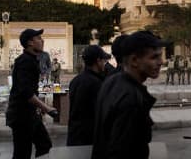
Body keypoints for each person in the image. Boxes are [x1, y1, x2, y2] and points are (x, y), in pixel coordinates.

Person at [91, 30, 165, 159]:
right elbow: (120, 151)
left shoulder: (113, 81)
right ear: (134, 60)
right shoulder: (131, 99)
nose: (161, 62)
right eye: (154, 57)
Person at [6, 29, 57, 159]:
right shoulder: (25, 61)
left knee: (43, 144)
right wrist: (46, 107)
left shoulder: (31, 59)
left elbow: (29, 90)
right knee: (23, 152)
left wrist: (39, 107)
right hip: (21, 116)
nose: (42, 40)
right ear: (30, 43)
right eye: (38, 38)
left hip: (28, 114)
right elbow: (26, 92)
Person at [67, 45, 111, 146]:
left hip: (75, 135)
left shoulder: (76, 80)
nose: (104, 64)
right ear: (98, 60)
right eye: (104, 61)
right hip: (89, 139)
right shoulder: (97, 83)